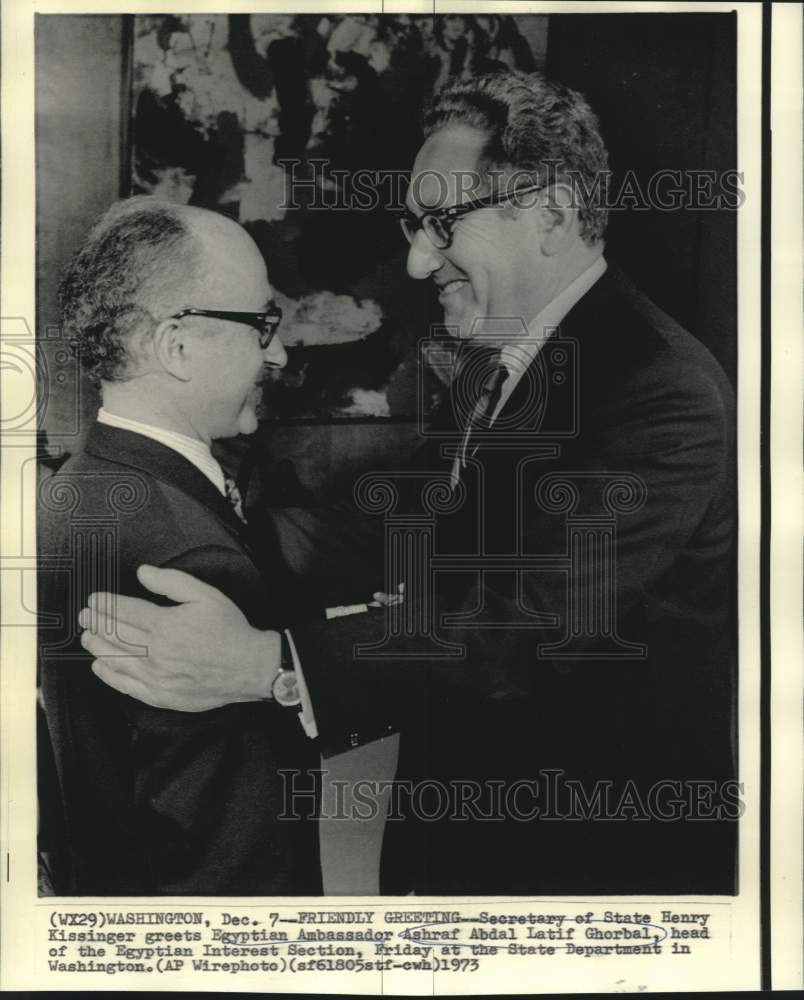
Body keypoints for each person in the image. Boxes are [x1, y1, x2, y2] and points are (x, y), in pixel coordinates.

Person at [80, 72, 737, 895]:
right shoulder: (503, 355)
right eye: (413, 226)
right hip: (469, 843)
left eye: (440, 225)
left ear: (553, 214)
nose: (419, 259)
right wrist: (175, 497)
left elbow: (527, 631)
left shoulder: (662, 390)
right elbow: (401, 537)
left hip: (590, 869)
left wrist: (267, 665)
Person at [38, 197, 323, 895]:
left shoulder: (76, 489)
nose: (279, 352)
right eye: (262, 324)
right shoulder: (196, 566)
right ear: (176, 345)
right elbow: (236, 871)